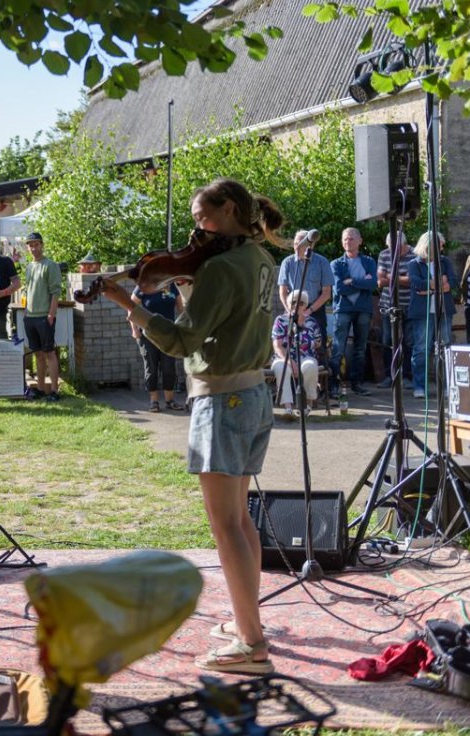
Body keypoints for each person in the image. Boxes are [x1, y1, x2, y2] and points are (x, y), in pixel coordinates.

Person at [101, 177, 285, 675]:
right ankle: (249, 622)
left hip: (222, 399)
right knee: (240, 521)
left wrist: (130, 306)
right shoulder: (260, 259)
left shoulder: (223, 267)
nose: (195, 234)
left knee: (225, 525)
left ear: (228, 210)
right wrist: (186, 287)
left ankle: (251, 644)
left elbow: (183, 344)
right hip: (252, 395)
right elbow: (218, 325)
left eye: (202, 220)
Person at [408, 231, 458, 400]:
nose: (443, 247)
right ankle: (420, 386)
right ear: (429, 246)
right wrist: (439, 283)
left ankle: (445, 386)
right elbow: (416, 284)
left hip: (443, 311)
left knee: (445, 348)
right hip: (422, 313)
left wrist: (428, 288)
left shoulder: (445, 262)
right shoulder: (414, 264)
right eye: (440, 244)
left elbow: (452, 282)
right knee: (421, 349)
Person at [328, 228, 377, 397]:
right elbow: (339, 288)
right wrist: (362, 281)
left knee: (360, 348)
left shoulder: (369, 262)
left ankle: (357, 384)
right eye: (345, 239)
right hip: (343, 309)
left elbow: (373, 285)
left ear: (359, 241)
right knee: (338, 348)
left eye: (350, 239)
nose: (347, 242)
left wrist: (351, 281)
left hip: (363, 309)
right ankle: (333, 385)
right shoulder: (336, 264)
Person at [130, 282, 184, 412]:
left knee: (169, 368)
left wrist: (184, 329)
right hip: (148, 335)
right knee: (151, 368)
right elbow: (131, 307)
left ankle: (170, 400)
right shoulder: (143, 286)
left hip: (169, 336)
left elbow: (182, 310)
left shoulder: (172, 286)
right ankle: (153, 401)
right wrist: (134, 329)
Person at [270, 290, 323, 420]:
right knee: (282, 369)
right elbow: (277, 345)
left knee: (310, 366)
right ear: (288, 304)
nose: (297, 305)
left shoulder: (311, 322)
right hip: (283, 357)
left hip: (306, 356)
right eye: (293, 302)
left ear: (305, 305)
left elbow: (318, 343)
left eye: (301, 303)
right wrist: (290, 362)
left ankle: (308, 405)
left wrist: (305, 337)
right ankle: (288, 408)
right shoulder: (281, 321)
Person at [23, 232, 63, 401]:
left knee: (50, 353)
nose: (33, 248)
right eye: (30, 245)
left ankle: (54, 391)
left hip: (44, 317)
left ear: (42, 245)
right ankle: (40, 388)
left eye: (36, 244)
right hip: (30, 316)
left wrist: (51, 315)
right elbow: (27, 291)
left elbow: (55, 292)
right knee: (37, 354)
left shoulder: (51, 265)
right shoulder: (29, 266)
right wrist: (25, 311)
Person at [277, 229, 333, 339]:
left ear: (310, 245)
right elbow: (282, 292)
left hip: (315, 310)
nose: (296, 246)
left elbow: (327, 293)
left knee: (318, 346)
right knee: (289, 344)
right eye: (295, 243)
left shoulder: (322, 262)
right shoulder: (287, 263)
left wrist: (308, 312)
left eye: (300, 243)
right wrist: (290, 311)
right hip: (292, 310)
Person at [376, 230, 416, 388]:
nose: (393, 252)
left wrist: (391, 277)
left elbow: (414, 280)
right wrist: (403, 277)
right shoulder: (384, 255)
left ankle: (406, 376)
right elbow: (380, 281)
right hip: (388, 304)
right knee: (387, 340)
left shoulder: (415, 254)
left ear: (404, 244)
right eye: (391, 248)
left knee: (408, 341)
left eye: (397, 248)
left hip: (409, 304)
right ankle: (389, 375)